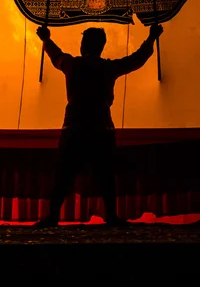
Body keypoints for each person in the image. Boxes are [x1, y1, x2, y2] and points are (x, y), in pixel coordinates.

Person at [35, 23, 163, 228]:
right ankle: (111, 216)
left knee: (63, 175)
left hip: (74, 128)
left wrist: (45, 38)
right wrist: (151, 38)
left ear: (83, 45)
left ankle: (52, 216)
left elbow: (55, 55)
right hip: (101, 128)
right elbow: (136, 60)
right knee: (105, 175)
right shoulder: (108, 68)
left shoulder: (72, 65)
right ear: (101, 46)